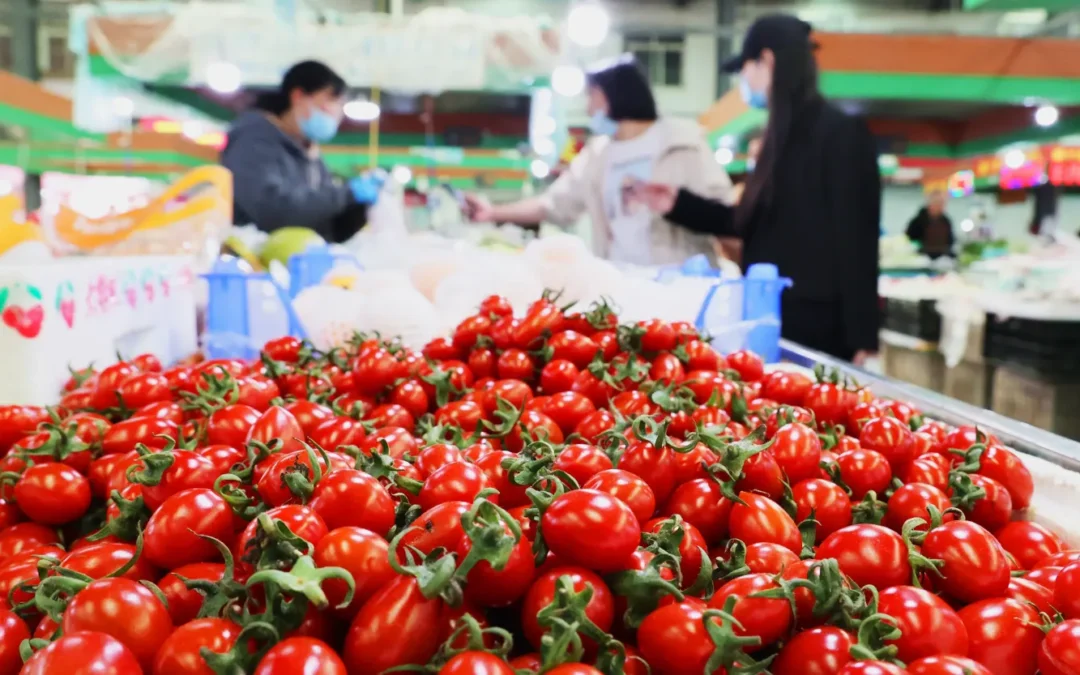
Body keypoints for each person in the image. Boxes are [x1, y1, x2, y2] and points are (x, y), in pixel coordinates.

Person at [631, 14, 881, 364]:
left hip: (822, 330)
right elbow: (747, 222)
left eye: (744, 69)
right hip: (771, 317)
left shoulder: (840, 133)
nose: (743, 81)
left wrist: (862, 336)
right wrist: (676, 203)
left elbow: (858, 238)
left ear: (767, 60)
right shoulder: (776, 139)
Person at [463, 55, 733, 266]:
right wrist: (493, 212)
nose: (588, 108)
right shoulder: (596, 155)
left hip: (679, 285)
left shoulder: (683, 143)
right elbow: (553, 205)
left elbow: (725, 215)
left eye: (591, 95)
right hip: (621, 283)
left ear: (616, 94)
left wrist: (677, 205)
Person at [222, 60, 383, 243]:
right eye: (330, 101)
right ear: (298, 96)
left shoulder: (311, 156)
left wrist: (359, 209)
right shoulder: (252, 140)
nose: (336, 112)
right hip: (250, 257)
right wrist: (347, 194)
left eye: (340, 105)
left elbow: (323, 224)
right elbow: (272, 211)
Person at [905, 190, 954, 258]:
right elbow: (908, 239)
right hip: (921, 256)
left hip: (943, 257)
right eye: (937, 203)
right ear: (930, 204)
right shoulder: (918, 221)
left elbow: (950, 241)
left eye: (942, 204)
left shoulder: (946, 221)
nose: (940, 206)